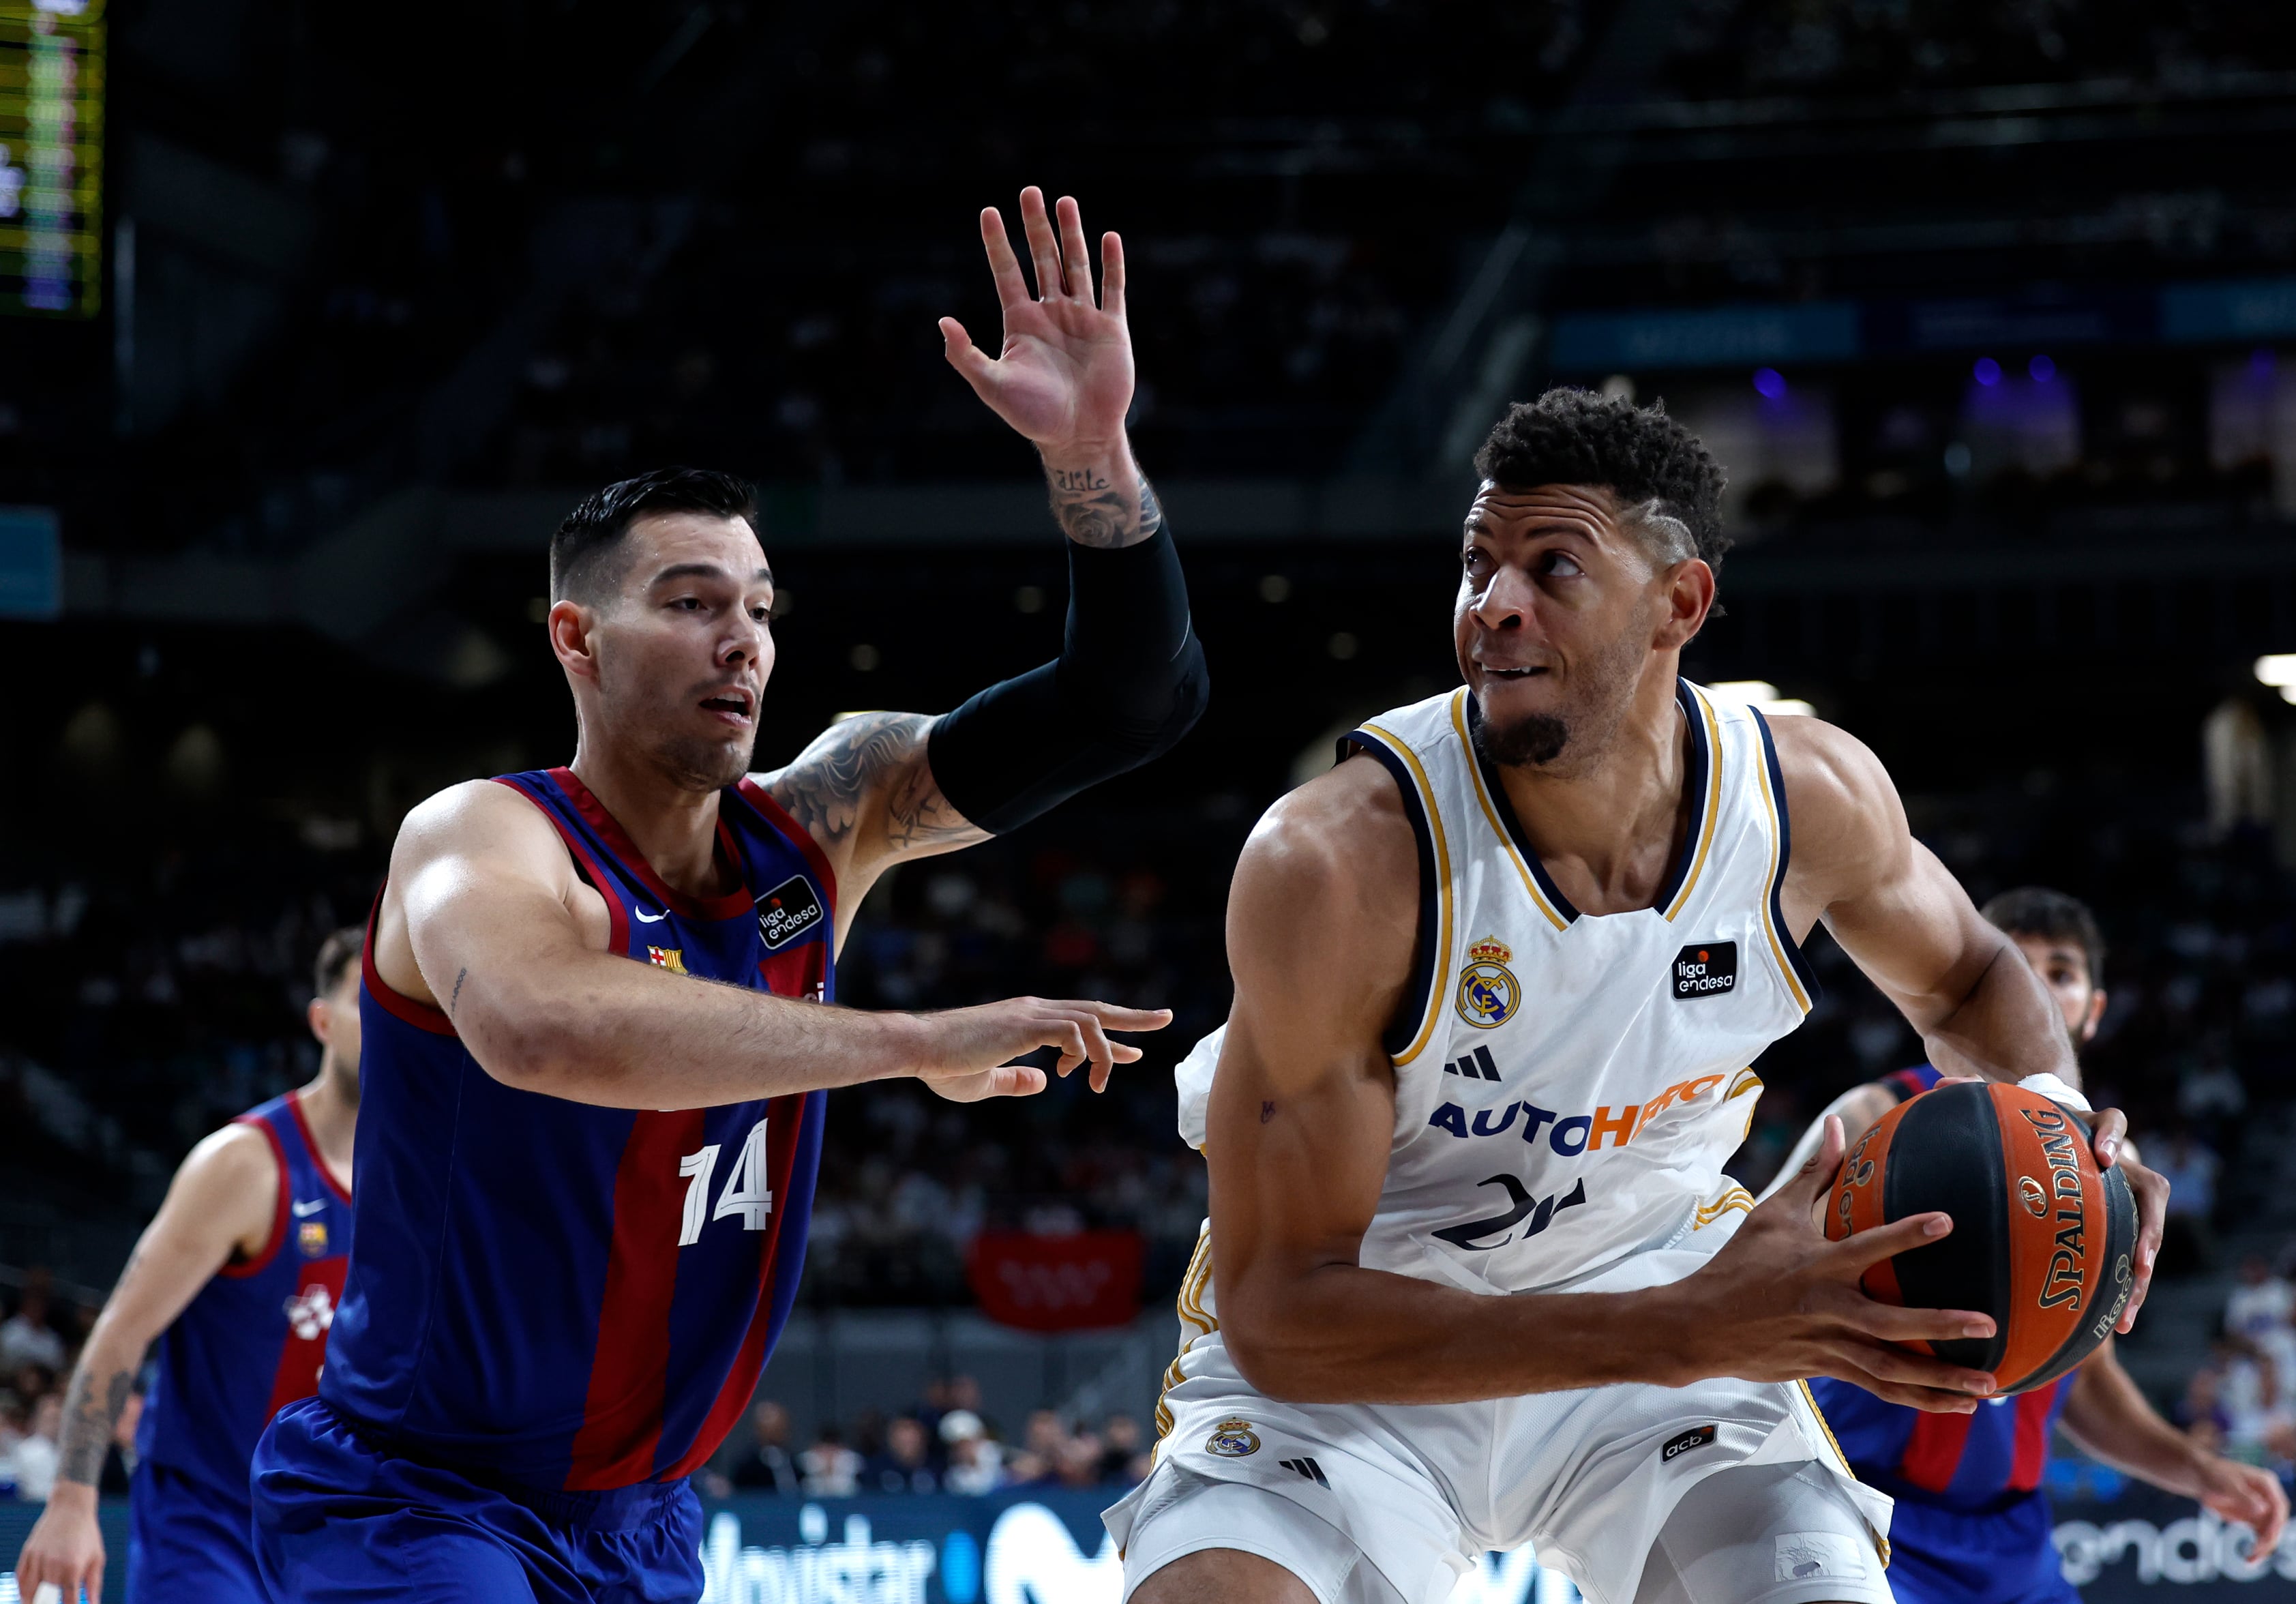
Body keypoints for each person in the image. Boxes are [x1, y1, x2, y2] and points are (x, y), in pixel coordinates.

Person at [248, 187, 1203, 1604]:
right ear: (577, 637)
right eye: (692, 603)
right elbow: (542, 1026)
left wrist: (1091, 461)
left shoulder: (827, 819)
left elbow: (1133, 703)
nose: (741, 641)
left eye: (759, 607)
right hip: (417, 1498)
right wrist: (911, 1042)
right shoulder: (488, 838)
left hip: (645, 1521)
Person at [1106, 387, 2169, 1604]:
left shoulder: (1804, 799)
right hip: (1369, 1349)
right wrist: (1687, 1327)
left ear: (1681, 604)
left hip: (1655, 1298)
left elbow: (1974, 972)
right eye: (1479, 564)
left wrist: (2064, 1124)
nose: (1493, 605)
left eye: (1553, 567)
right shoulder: (1337, 861)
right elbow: (1284, 1315)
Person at [1775, 888, 2288, 1604]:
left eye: (2060, 972)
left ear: (2093, 1011)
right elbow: (1756, 1282)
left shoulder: (2111, 1165)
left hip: (2013, 1537)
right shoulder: (1873, 1118)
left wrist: (2197, 1470)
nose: (2034, 990)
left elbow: (2083, 1374)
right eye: (2012, 966)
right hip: (1856, 1507)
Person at [13, 928, 365, 1604]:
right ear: (322, 1021)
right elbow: (121, 1331)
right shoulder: (243, 1164)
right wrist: (71, 1499)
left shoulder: (422, 1177)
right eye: (365, 1002)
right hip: (209, 1525)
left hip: (331, 1529)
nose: (389, 1025)